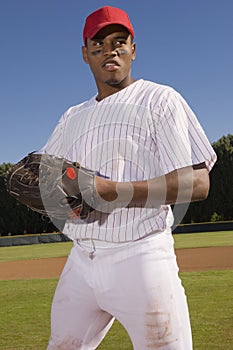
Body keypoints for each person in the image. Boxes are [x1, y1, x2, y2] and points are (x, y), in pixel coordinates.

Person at [43, 6, 217, 350]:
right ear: (85, 55)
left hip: (141, 257)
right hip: (82, 259)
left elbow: (199, 182)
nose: (110, 51)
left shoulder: (160, 100)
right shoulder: (71, 117)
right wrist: (50, 193)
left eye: (119, 42)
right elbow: (47, 177)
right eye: (99, 44)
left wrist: (113, 192)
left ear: (133, 49)